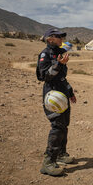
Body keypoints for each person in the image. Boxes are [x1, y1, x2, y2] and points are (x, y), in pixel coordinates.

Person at [37, 28, 77, 176]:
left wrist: (70, 92)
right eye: (59, 37)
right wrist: (58, 65)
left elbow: (62, 77)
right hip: (52, 95)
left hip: (63, 94)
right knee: (57, 126)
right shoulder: (45, 54)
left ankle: (61, 154)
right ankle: (48, 162)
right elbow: (43, 76)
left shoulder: (60, 53)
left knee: (64, 124)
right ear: (50, 39)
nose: (62, 39)